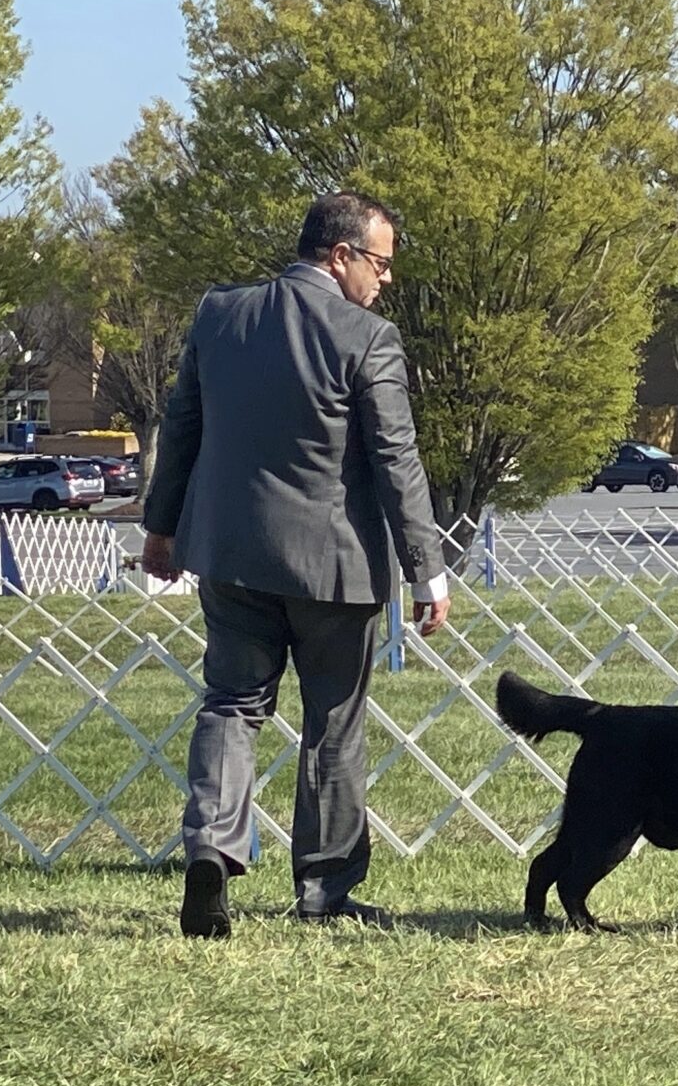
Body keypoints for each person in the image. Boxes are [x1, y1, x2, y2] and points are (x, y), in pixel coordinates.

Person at [143, 191, 452, 938]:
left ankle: (212, 849)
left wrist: (162, 527)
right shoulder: (368, 337)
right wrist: (426, 566)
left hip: (231, 554)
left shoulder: (220, 314)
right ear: (340, 255)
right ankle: (324, 887)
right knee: (333, 723)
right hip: (334, 568)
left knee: (232, 703)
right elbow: (395, 459)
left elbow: (182, 423)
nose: (384, 281)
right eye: (379, 263)